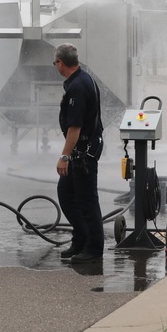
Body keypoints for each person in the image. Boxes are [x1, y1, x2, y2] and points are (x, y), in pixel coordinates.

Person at [53, 43, 105, 264]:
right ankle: (81, 238)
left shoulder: (77, 87)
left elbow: (75, 128)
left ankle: (93, 248)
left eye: (55, 62)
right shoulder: (83, 78)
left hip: (84, 150)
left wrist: (64, 156)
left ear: (60, 63)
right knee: (66, 193)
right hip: (82, 148)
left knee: (86, 200)